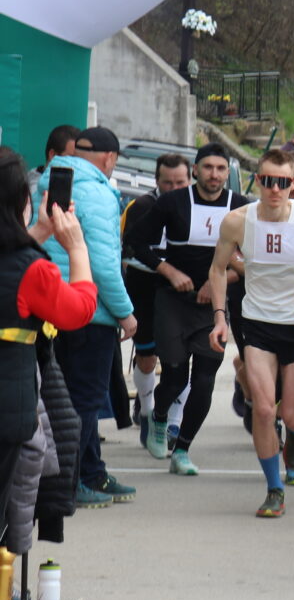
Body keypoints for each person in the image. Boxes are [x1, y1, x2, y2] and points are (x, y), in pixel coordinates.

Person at [207, 150, 294, 516]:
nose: (274, 189)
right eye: (267, 181)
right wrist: (220, 318)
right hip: (257, 324)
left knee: (293, 415)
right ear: (257, 181)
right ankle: (274, 488)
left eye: (282, 182)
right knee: (263, 409)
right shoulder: (237, 221)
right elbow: (217, 270)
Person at [127, 142, 249, 476]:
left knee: (205, 380)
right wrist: (168, 270)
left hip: (214, 306)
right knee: (176, 377)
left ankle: (182, 450)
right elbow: (136, 243)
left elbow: (253, 261)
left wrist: (223, 278)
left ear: (228, 173)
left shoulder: (241, 208)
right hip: (173, 301)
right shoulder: (172, 203)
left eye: (221, 169)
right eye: (208, 167)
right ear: (195, 170)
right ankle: (158, 416)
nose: (214, 174)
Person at [32, 127, 138, 508]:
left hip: (48, 305)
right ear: (110, 159)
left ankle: (91, 471)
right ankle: (72, 481)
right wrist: (126, 314)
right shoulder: (97, 192)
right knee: (83, 401)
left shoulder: (49, 180)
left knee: (63, 396)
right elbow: (105, 266)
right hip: (87, 310)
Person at [0, 147, 99, 517]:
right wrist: (76, 248)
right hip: (8, 407)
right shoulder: (31, 269)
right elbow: (78, 311)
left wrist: (39, 231)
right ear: (20, 200)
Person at [122, 153, 190, 447]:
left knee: (180, 359)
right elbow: (129, 251)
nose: (174, 188)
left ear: (190, 179)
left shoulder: (197, 205)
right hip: (146, 287)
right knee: (148, 357)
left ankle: (174, 422)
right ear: (157, 181)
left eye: (180, 182)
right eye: (167, 183)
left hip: (184, 290)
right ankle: (148, 411)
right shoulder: (142, 207)